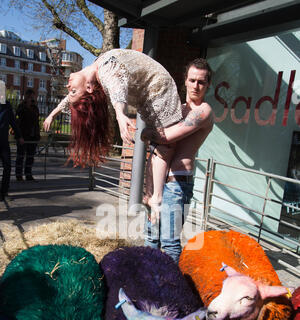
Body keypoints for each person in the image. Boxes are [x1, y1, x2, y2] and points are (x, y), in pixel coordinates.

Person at [42, 48, 195, 214]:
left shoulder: (97, 70)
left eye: (70, 90)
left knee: (162, 147)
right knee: (162, 147)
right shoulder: (104, 72)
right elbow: (117, 87)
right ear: (89, 87)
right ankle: (154, 196)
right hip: (157, 94)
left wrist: (52, 114)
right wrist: (119, 113)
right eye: (71, 90)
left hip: (157, 91)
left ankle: (155, 196)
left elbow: (80, 96)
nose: (67, 85)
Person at [142, 58, 214, 263]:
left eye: (201, 82)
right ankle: (149, 282)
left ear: (208, 84)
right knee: (151, 237)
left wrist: (146, 132)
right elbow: (158, 151)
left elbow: (166, 137)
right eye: (192, 80)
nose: (196, 86)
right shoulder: (178, 109)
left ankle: (172, 290)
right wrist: (149, 190)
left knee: (169, 242)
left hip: (177, 184)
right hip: (159, 182)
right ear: (184, 81)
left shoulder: (204, 111)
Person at [0, 87, 24, 201]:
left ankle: (3, 191)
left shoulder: (7, 106)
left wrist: (19, 136)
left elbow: (13, 122)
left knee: (7, 166)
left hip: (3, 142)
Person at [15, 89, 40, 181]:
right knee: (20, 156)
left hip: (32, 136)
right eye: (30, 97)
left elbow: (36, 122)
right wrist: (19, 136)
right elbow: (17, 120)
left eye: (33, 97)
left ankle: (28, 174)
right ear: (26, 97)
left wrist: (37, 135)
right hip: (23, 136)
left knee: (30, 157)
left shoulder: (35, 108)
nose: (32, 99)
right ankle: (18, 175)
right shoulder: (21, 107)